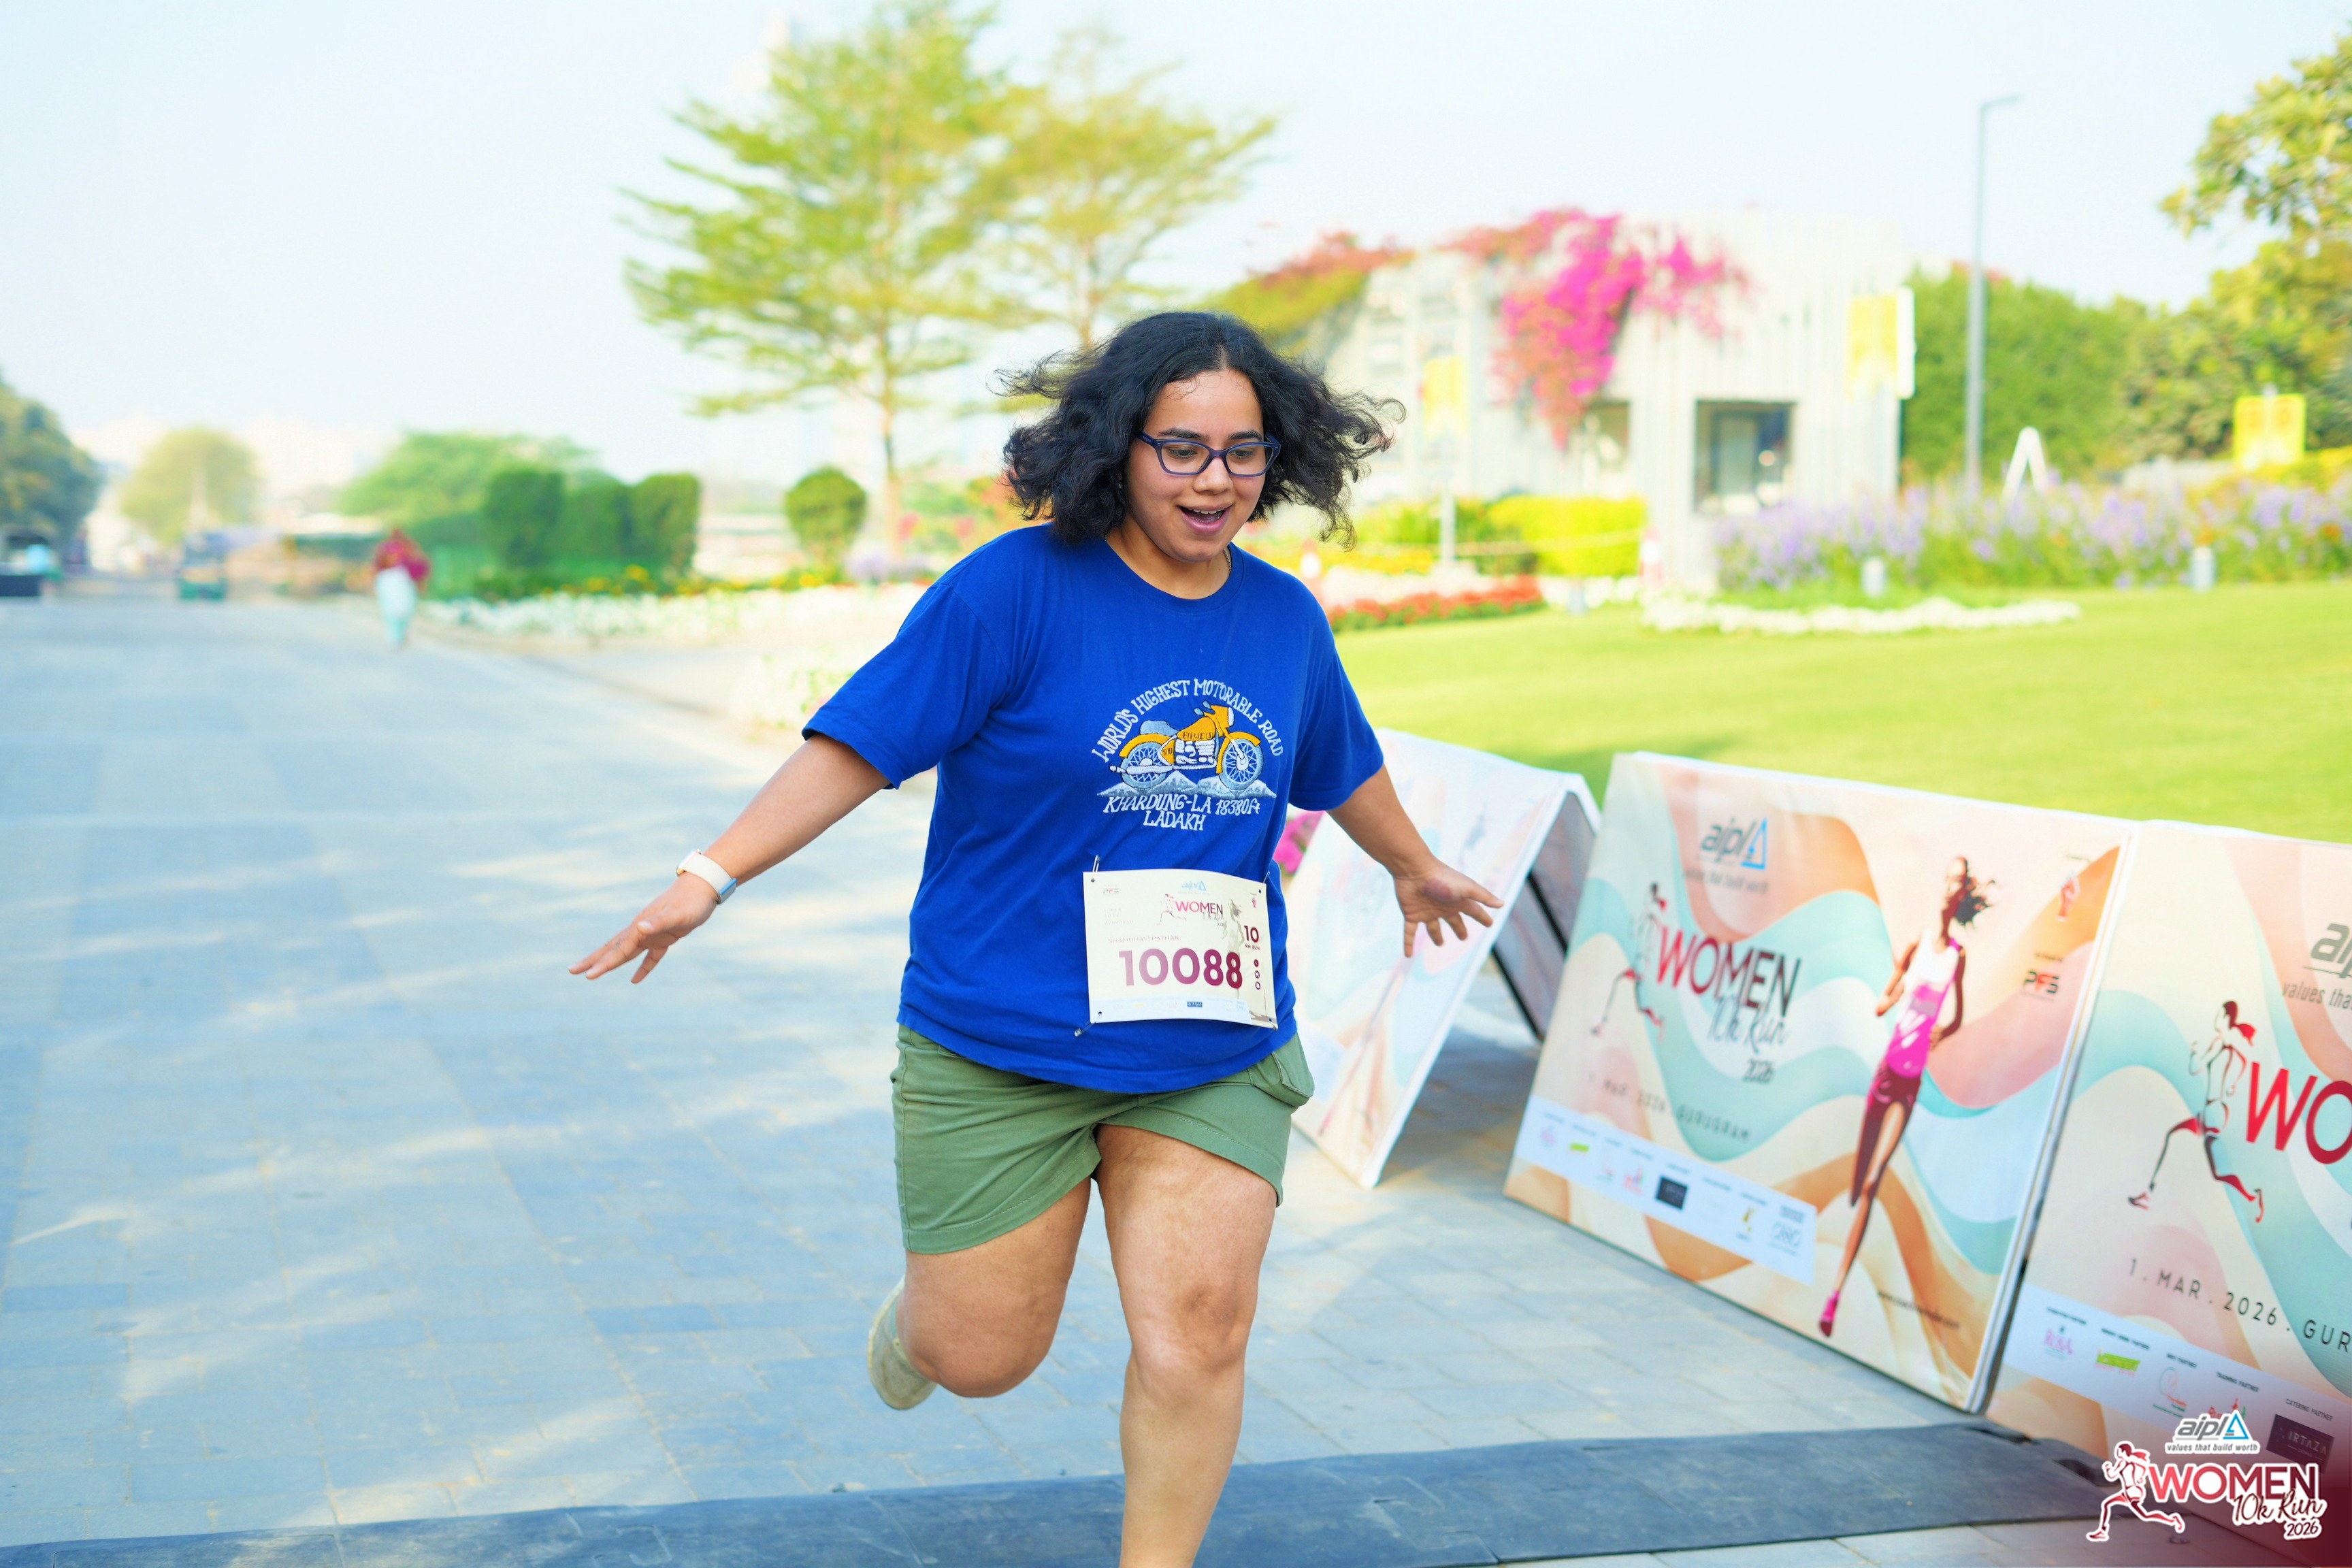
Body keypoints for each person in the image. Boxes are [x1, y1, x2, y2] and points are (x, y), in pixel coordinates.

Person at [570, 312, 1502, 1568]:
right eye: (1181, 449)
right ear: (1118, 446)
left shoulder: (1283, 617)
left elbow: (1337, 759)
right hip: (1003, 1036)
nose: (1215, 480)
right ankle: (926, 1320)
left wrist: (1411, 862)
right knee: (982, 1356)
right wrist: (708, 876)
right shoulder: (1013, 589)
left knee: (1200, 1335)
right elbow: (860, 743)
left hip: (1209, 1040)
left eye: (1244, 452)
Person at [1818, 857, 1989, 1339]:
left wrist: (1941, 1033)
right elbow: (1883, 1000)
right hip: (1885, 1074)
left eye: (1959, 882)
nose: (1951, 887)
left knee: (1873, 1184)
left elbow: (1957, 1017)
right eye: (1948, 878)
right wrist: (1895, 999)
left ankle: (1835, 1295)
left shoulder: (1957, 956)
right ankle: (1826, 1256)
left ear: (1963, 894)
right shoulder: (1918, 943)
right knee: (1856, 1182)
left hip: (1910, 1084)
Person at [2128, 1000, 2265, 1222]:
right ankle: (2148, 1194)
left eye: (2219, 1014)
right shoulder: (2227, 1051)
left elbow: (2203, 1071)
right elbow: (2211, 1075)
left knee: (2216, 1172)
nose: (2216, 1019)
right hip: (2210, 1111)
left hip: (2214, 1113)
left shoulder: (2226, 1050)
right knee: (2174, 1137)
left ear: (2226, 1018)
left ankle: (2252, 1197)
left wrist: (2197, 1055)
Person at [370, 529, 430, 649]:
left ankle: (400, 636)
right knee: (391, 612)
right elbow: (378, 564)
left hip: (403, 581)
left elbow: (418, 565)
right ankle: (395, 638)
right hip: (389, 581)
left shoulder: (407, 547)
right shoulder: (386, 548)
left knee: (404, 610)